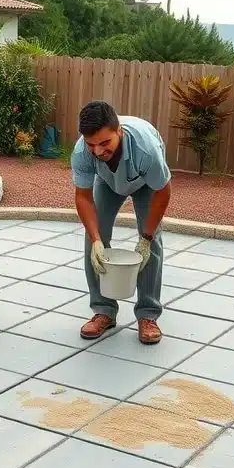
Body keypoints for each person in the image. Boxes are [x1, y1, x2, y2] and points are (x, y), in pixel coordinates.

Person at [71, 101, 172, 344]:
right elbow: (83, 197)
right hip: (107, 182)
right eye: (91, 144)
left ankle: (148, 315)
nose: (97, 151)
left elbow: (163, 191)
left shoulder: (146, 150)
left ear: (119, 132)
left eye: (104, 143)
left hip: (147, 184)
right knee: (94, 236)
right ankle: (103, 310)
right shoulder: (82, 152)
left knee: (151, 241)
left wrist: (145, 238)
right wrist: (96, 240)